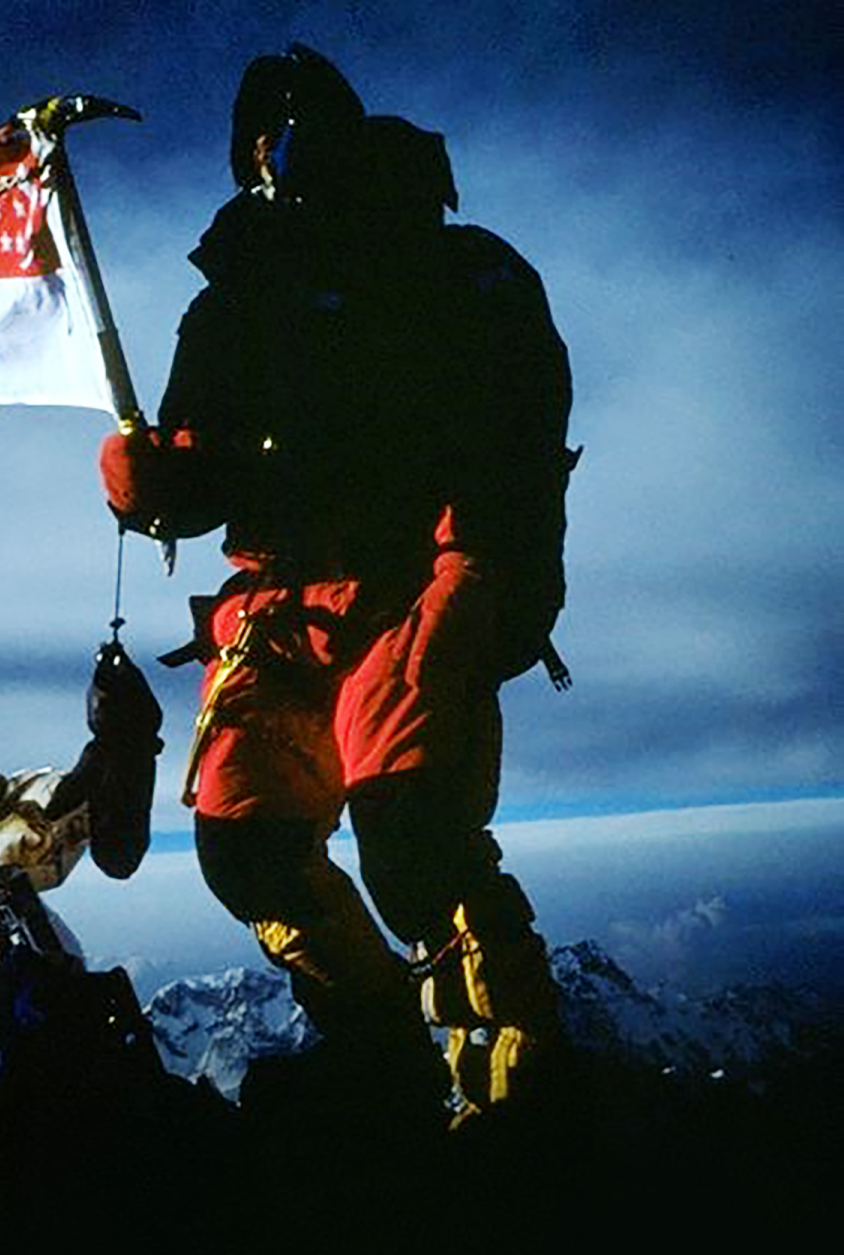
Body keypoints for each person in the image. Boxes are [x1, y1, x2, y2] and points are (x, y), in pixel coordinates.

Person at [99, 45, 579, 1120]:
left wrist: (483, 574)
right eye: (265, 141)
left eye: (296, 132)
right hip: (279, 605)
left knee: (413, 829)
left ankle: (518, 1083)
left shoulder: (450, 266)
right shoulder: (235, 297)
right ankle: (384, 1054)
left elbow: (519, 426)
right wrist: (147, 481)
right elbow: (200, 467)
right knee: (244, 835)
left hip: (417, 580)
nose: (280, 156)